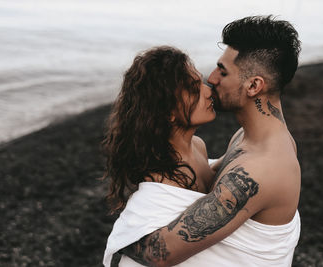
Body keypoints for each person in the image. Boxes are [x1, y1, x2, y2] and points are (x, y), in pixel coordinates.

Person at [121, 15, 302, 266]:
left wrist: (125, 230)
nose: (212, 79)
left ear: (253, 86)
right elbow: (212, 179)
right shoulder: (247, 138)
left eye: (223, 71)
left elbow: (158, 254)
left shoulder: (263, 168)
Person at [102, 46, 217, 267]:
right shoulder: (165, 175)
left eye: (201, 81)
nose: (208, 90)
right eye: (194, 89)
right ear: (168, 112)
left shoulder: (198, 146)